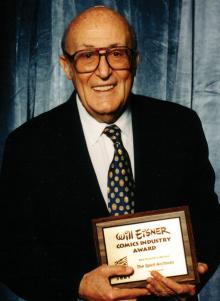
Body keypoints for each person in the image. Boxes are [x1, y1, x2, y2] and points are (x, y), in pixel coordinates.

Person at [0, 5, 219, 301]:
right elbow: (11, 252)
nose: (104, 72)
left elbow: (209, 223)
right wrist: (77, 286)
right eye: (87, 56)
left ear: (136, 61)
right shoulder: (27, 145)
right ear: (66, 67)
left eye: (117, 53)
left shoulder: (180, 125)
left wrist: (196, 273)